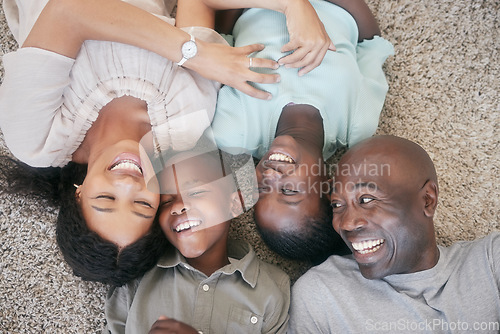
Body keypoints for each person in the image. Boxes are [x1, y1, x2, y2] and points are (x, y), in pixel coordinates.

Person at [0, 0, 333, 285]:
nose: (128, 184)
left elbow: (68, 11)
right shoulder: (185, 124)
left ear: (78, 191)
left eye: (106, 197)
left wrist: (192, 53)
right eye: (143, 205)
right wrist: (292, 4)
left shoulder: (36, 140)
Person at [211, 0, 394, 264]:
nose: (271, 176)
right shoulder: (357, 122)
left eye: (261, 190)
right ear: (330, 187)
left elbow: (219, 41)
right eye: (288, 191)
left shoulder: (234, 130)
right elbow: (371, 43)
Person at [288, 135, 500, 333]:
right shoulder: (322, 295)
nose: (347, 223)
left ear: (428, 200)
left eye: (367, 199)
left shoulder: (490, 261)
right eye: (337, 204)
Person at [104, 148, 290, 334]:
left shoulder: (272, 288)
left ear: (234, 205)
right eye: (166, 201)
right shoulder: (137, 275)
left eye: (194, 193)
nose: (177, 207)